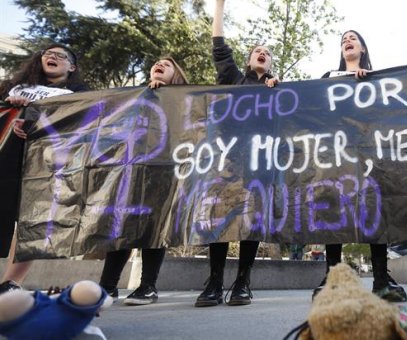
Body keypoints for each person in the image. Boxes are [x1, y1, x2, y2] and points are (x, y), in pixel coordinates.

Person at [312, 30, 407, 303]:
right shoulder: (328, 78)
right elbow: (310, 109)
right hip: (335, 155)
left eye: (352, 38)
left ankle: (381, 278)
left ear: (363, 48)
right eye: (343, 40)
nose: (347, 41)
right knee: (334, 210)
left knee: (375, 208)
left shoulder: (379, 79)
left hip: (371, 155)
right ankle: (333, 279)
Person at [195, 0, 279, 308]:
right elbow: (218, 44)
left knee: (251, 218)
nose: (263, 52)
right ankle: (214, 281)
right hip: (227, 158)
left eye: (268, 53)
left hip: (259, 162)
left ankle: (243, 280)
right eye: (258, 50)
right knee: (221, 216)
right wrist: (219, 5)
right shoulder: (231, 77)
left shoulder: (277, 90)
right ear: (248, 59)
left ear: (271, 65)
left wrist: (276, 92)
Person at [98, 57, 189, 305]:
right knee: (122, 223)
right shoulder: (135, 95)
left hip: (165, 171)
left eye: (167, 65)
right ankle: (106, 287)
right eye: (157, 63)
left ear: (177, 74)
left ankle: (147, 286)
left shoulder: (186, 99)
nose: (159, 65)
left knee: (155, 225)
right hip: (130, 169)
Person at [0, 43, 88, 295]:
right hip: (8, 155)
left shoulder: (78, 93)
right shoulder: (14, 87)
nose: (53, 57)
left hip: (47, 162)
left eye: (61, 56)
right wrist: (12, 106)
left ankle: (10, 283)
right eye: (48, 54)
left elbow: (85, 120)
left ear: (71, 67)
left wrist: (36, 123)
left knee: (34, 218)